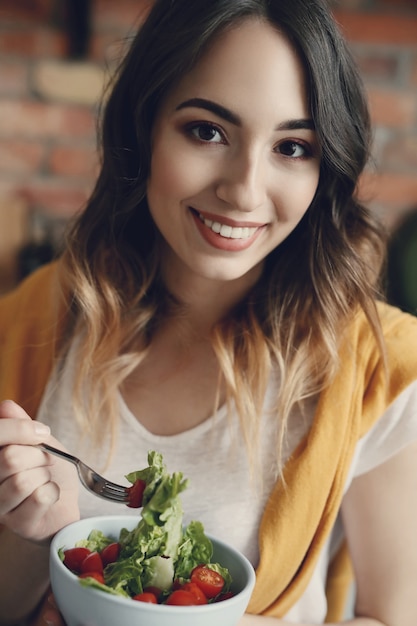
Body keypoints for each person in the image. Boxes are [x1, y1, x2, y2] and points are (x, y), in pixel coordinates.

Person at [0, 0, 416, 624]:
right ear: (142, 131)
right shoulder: (41, 313)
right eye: (207, 131)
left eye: (293, 146)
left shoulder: (379, 366)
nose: (245, 190)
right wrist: (37, 536)